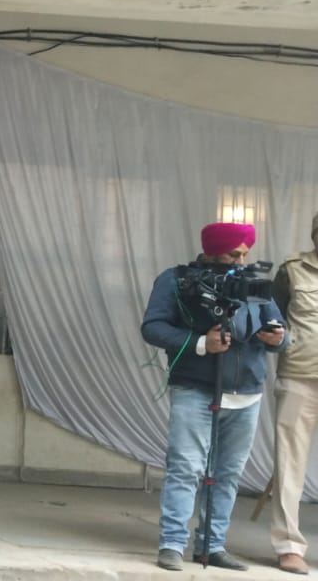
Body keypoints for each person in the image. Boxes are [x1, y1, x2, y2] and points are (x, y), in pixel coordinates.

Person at [142, 222, 286, 572]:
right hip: (194, 387)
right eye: (234, 254)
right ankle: (172, 544)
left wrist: (278, 338)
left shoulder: (254, 283)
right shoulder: (176, 280)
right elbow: (153, 327)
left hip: (247, 393)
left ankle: (212, 546)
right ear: (212, 250)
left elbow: (283, 334)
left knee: (228, 473)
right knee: (186, 467)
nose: (241, 260)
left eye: (245, 254)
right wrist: (200, 343)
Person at [272, 212, 318, 576]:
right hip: (300, 376)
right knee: (289, 463)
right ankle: (289, 546)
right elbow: (272, 320)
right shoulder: (291, 270)